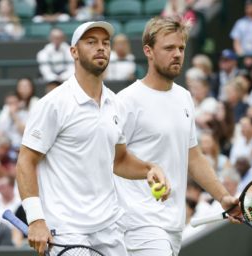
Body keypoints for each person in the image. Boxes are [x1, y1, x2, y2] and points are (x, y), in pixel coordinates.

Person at [16, 21, 170, 256]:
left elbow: (119, 161)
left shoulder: (115, 103)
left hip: (109, 226)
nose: (101, 48)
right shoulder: (52, 104)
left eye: (105, 43)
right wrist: (36, 218)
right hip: (67, 230)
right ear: (74, 52)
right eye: (91, 42)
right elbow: (26, 161)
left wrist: (149, 168)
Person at [114, 16, 241, 256]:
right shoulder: (126, 101)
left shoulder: (184, 97)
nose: (177, 54)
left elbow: (193, 157)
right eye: (169, 48)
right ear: (148, 51)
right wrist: (148, 170)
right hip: (138, 223)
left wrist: (223, 197)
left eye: (181, 48)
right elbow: (112, 160)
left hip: (173, 224)